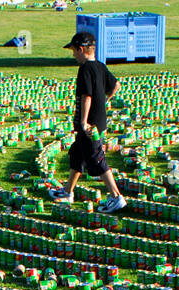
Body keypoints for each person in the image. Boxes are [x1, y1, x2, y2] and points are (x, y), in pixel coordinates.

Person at [50, 31, 126, 212]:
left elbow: (87, 95)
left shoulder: (84, 69)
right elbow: (116, 85)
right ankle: (68, 191)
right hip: (99, 120)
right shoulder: (100, 66)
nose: (73, 55)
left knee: (97, 158)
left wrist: (84, 122)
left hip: (91, 124)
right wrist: (105, 101)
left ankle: (116, 197)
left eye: (74, 51)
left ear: (81, 49)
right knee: (77, 154)